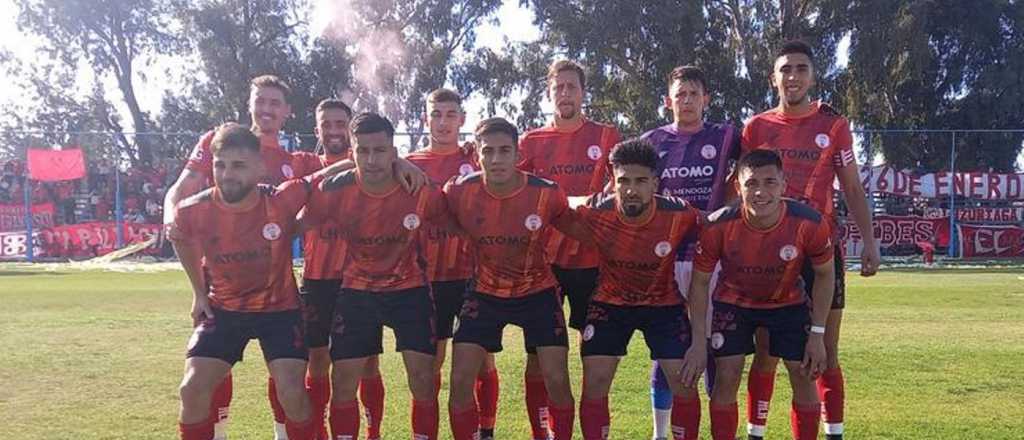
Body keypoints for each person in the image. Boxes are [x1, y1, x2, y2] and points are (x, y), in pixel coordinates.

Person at [740, 40, 880, 440]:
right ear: (774, 78)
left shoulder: (834, 125)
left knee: (824, 351)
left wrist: (869, 242)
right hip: (767, 253)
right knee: (765, 352)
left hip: (820, 253)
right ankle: (755, 433)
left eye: (801, 68)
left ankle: (833, 432)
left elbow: (851, 187)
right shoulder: (756, 127)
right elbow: (743, 189)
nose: (793, 76)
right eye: (785, 69)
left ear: (813, 76)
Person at [302, 112, 447, 440]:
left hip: (410, 290)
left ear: (394, 152)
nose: (371, 159)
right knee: (343, 381)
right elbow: (297, 224)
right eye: (363, 151)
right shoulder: (334, 189)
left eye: (379, 150)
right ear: (351, 153)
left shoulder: (418, 188)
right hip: (357, 292)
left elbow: (454, 221)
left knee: (423, 379)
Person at [170, 123, 316, 440]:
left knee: (292, 391)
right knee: (191, 389)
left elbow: (330, 176)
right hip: (224, 310)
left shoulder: (282, 198)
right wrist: (199, 293)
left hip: (280, 311)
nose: (227, 174)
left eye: (238, 165)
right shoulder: (192, 210)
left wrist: (397, 164)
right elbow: (179, 238)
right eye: (220, 165)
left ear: (259, 167)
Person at [446, 118, 577, 440]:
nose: (496, 159)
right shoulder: (458, 191)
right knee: (460, 380)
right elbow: (428, 209)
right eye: (488, 151)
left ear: (518, 154)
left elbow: (580, 226)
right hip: (484, 292)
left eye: (504, 151)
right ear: (477, 155)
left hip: (537, 292)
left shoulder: (546, 192)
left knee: (557, 380)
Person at [568, 139, 705, 440]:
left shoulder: (680, 213)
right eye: (624, 181)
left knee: (684, 383)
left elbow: (719, 227)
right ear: (613, 182)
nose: (631, 189)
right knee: (595, 381)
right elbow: (558, 205)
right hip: (610, 304)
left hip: (664, 305)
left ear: (655, 183)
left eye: (641, 181)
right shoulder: (595, 211)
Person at [697, 149, 835, 440]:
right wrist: (698, 340)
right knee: (727, 376)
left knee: (802, 373)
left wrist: (818, 334)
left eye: (770, 182)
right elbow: (699, 283)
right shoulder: (717, 225)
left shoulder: (809, 223)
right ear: (738, 188)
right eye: (751, 184)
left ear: (783, 185)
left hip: (788, 303)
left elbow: (825, 275)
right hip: (733, 303)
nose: (760, 192)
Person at [517, 60, 621, 438]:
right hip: (543, 265)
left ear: (583, 92)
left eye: (571, 86)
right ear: (549, 93)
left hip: (593, 262)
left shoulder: (607, 136)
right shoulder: (530, 141)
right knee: (538, 359)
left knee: (595, 360)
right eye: (558, 87)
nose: (564, 93)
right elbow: (515, 190)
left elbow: (621, 186)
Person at [404, 88, 500, 439]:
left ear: (462, 119)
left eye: (450, 114)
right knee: (429, 365)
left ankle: (485, 431)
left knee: (482, 360)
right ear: (425, 118)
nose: (443, 122)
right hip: (425, 279)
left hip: (473, 276)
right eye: (436, 114)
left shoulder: (477, 159)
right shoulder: (409, 163)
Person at [288, 99, 384, 440]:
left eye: (340, 123)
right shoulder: (304, 165)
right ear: (317, 129)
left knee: (368, 362)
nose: (332, 130)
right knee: (317, 361)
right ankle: (319, 434)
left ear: (350, 128)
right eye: (325, 124)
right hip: (317, 280)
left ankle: (373, 433)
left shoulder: (370, 165)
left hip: (360, 280)